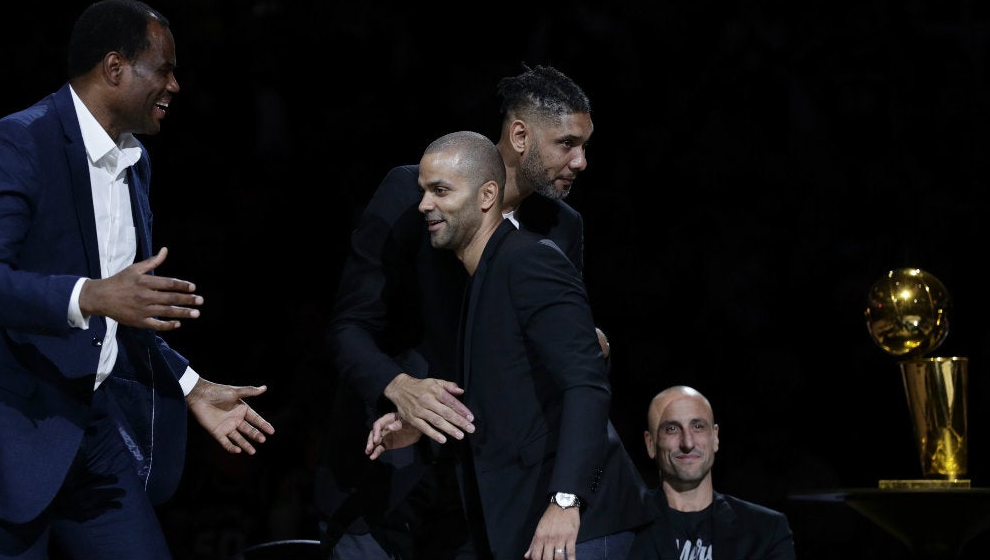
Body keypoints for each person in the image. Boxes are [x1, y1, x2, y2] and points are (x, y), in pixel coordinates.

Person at [0, 0, 275, 558]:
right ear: (115, 68)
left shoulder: (134, 160)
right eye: (163, 69)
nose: (175, 84)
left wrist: (191, 387)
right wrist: (90, 295)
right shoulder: (21, 140)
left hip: (94, 438)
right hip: (13, 439)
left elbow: (122, 313)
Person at [318, 64, 608, 559]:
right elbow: (348, 326)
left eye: (584, 145)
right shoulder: (412, 195)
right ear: (520, 135)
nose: (580, 161)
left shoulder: (562, 227)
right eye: (567, 143)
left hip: (488, 486)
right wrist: (397, 386)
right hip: (386, 469)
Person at [366, 130, 650, 560]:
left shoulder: (529, 259)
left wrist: (566, 501)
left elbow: (586, 385)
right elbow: (504, 401)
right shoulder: (481, 277)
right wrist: (420, 432)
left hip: (579, 528)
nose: (424, 205)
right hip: (526, 526)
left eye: (440, 190)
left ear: (487, 196)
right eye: (423, 191)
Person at [626, 385, 796, 560]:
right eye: (672, 429)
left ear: (715, 438)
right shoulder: (625, 528)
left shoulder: (766, 530)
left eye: (698, 426)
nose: (688, 443)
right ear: (650, 444)